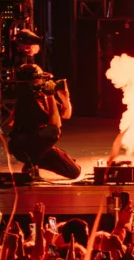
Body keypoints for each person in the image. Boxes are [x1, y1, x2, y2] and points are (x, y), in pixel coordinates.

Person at [6, 26, 80, 180]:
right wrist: (52, 97)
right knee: (52, 132)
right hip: (25, 146)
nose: (44, 81)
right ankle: (32, 165)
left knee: (74, 172)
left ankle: (37, 162)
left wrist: (65, 97)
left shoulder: (42, 96)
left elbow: (66, 114)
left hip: (39, 147)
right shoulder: (28, 98)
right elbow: (56, 125)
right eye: (40, 79)